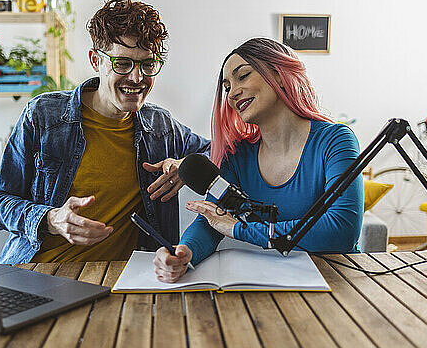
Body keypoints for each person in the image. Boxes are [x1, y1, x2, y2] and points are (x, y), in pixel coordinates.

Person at [0, 0, 210, 265]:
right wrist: (50, 219)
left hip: (122, 279)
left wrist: (186, 165)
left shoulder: (160, 127)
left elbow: (218, 150)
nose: (137, 78)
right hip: (37, 270)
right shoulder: (44, 115)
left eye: (148, 65)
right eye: (123, 64)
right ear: (96, 60)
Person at [153, 37, 363, 282]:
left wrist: (239, 229)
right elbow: (212, 219)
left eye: (242, 76)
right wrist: (185, 252)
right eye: (227, 87)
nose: (232, 93)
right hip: (271, 284)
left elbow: (341, 230)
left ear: (279, 74)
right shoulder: (238, 155)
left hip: (337, 282)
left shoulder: (336, 140)